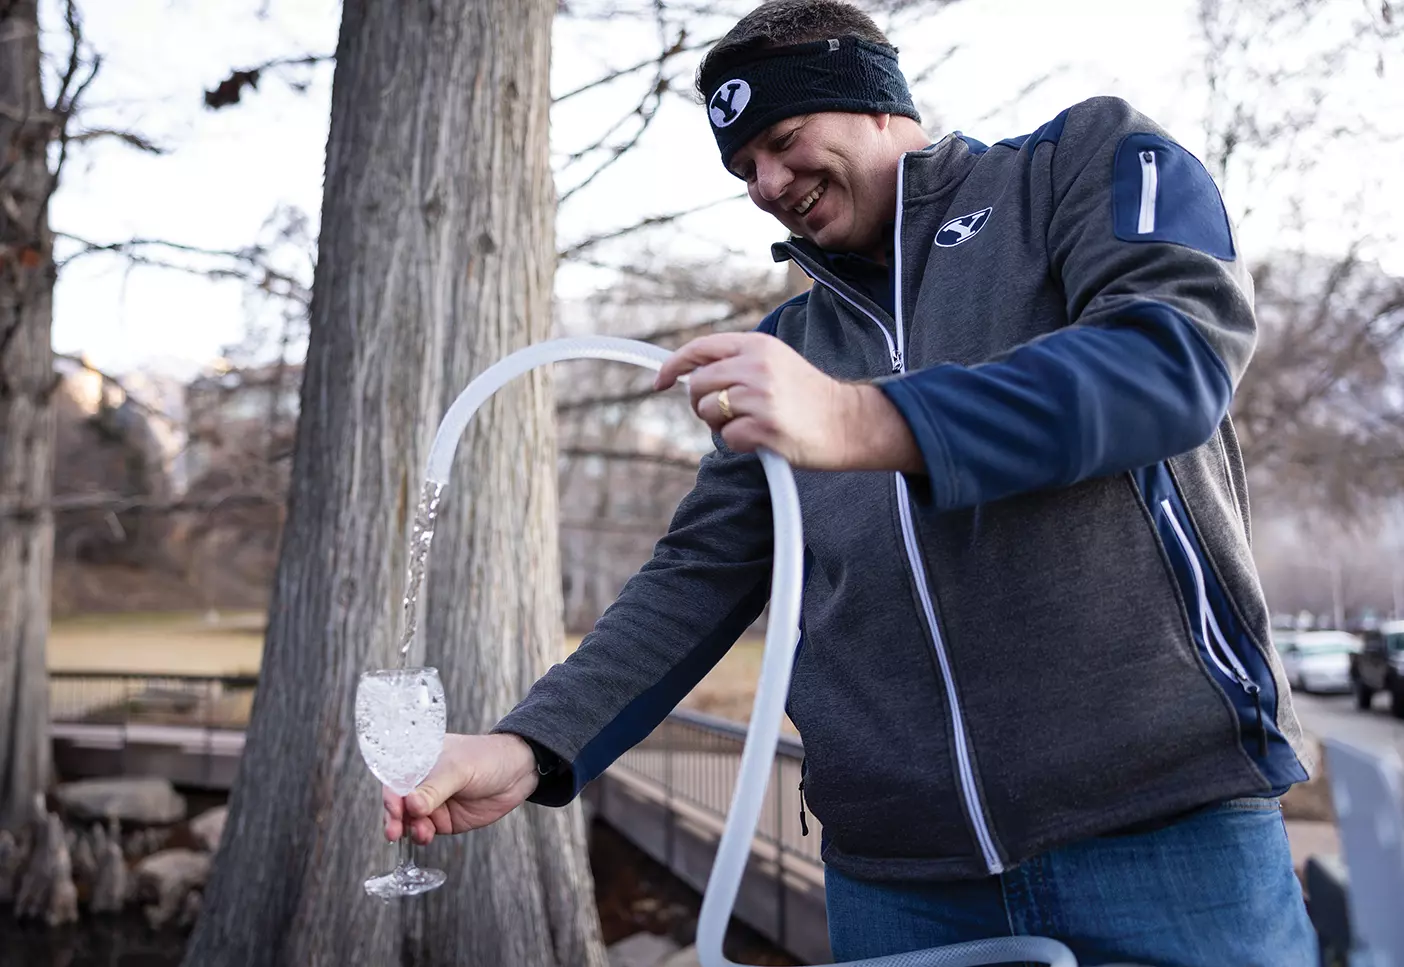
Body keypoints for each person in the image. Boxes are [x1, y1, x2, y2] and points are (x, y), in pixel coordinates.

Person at [383, 2, 1319, 963]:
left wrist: (861, 419)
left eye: (785, 142)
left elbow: (1169, 362)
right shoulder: (791, 345)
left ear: (875, 102)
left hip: (1165, 827)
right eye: (744, 168)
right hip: (898, 877)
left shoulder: (1075, 165)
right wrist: (528, 747)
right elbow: (696, 575)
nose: (768, 184)